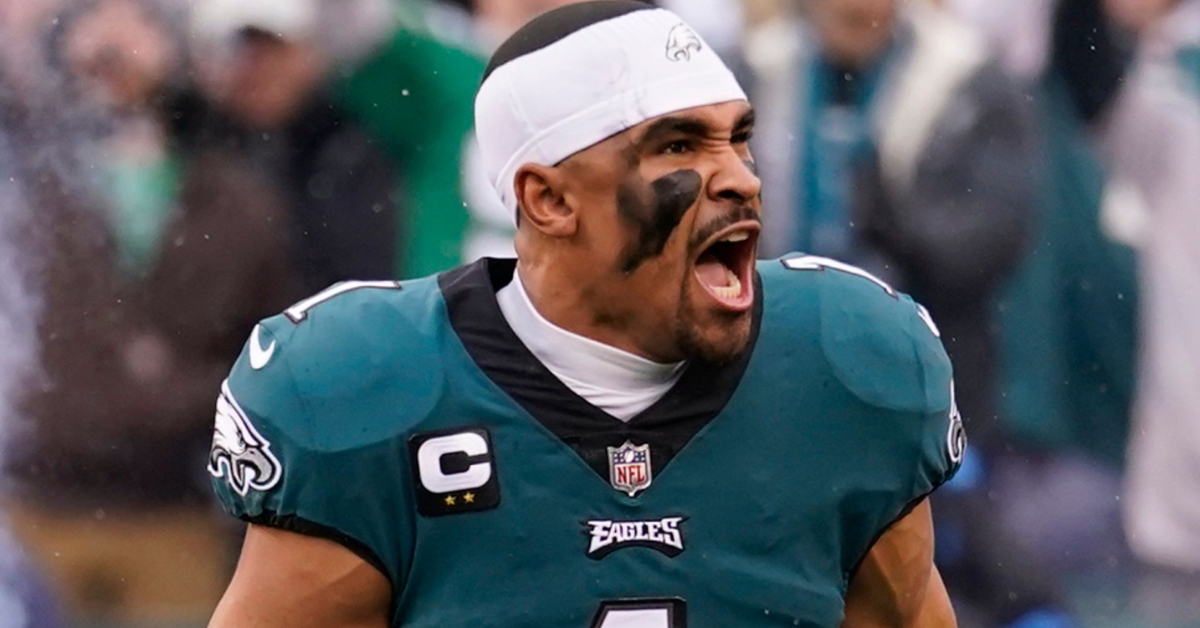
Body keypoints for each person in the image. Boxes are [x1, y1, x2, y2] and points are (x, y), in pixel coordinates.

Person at [206, 3, 964, 626]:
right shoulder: (367, 388)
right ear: (548, 199)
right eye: (679, 147)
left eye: (738, 140)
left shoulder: (844, 363)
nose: (740, 179)